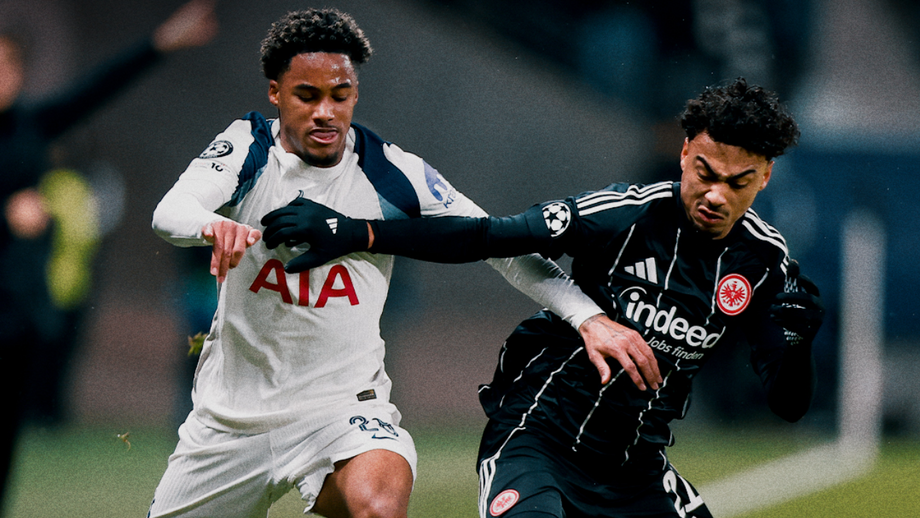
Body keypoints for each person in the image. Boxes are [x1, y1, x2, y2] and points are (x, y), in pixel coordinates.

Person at [260, 77, 825, 518]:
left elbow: (789, 405)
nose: (716, 194)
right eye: (705, 172)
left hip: (636, 471)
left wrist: (798, 346)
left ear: (765, 178)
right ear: (683, 154)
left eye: (739, 182)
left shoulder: (765, 263)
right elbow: (487, 236)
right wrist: (356, 232)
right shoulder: (623, 215)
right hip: (539, 440)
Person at [148, 8, 632, 518]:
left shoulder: (392, 173)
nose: (325, 113)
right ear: (275, 93)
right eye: (307, 96)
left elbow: (496, 243)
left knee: (377, 508)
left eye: (340, 95)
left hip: (341, 412)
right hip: (229, 422)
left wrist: (587, 316)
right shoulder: (248, 147)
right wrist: (212, 226)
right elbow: (170, 212)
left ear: (355, 93)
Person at [0, 0, 217, 508]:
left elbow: (97, 89)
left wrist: (159, 44)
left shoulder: (31, 124)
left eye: (8, 64)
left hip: (18, 313)